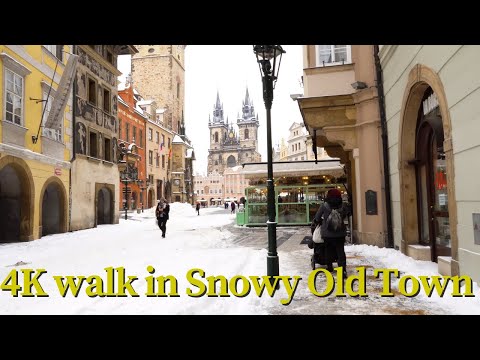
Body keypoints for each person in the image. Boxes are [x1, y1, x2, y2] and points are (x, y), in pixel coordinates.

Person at [311, 188, 351, 277]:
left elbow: (317, 217)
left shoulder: (324, 205)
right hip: (340, 232)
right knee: (340, 251)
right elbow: (347, 214)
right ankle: (343, 269)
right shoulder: (343, 205)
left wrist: (319, 221)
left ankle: (329, 267)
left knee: (328, 249)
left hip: (327, 233)